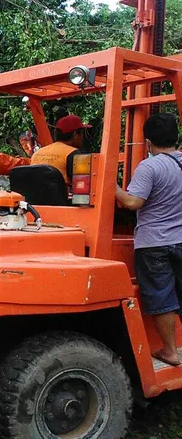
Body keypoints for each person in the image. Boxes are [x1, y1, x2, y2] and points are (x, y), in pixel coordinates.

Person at [115, 113, 182, 366]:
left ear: (147, 142)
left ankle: (170, 352)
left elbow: (133, 202)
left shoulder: (149, 166)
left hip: (153, 243)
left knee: (162, 297)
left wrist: (111, 186)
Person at [30, 115, 89, 185]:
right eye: (82, 133)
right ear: (75, 134)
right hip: (60, 195)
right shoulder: (74, 154)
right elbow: (81, 183)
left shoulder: (37, 153)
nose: (82, 137)